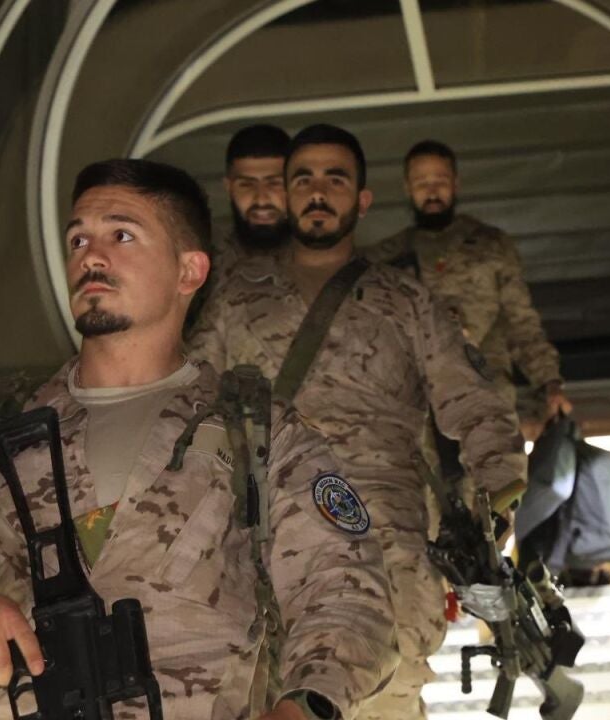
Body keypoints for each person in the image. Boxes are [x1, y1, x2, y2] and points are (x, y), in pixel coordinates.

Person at [0, 159, 397, 720]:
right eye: (78, 239)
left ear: (189, 271)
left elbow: (348, 595)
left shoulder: (257, 432)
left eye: (122, 235)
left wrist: (301, 709)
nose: (91, 255)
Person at [187, 125, 527, 720]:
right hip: (265, 538)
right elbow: (189, 406)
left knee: (386, 695)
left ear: (362, 200)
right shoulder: (236, 298)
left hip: (385, 537)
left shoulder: (408, 301)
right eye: (303, 179)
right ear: (287, 194)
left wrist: (497, 493)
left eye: (335, 179)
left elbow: (473, 401)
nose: (318, 192)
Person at [365, 140, 570, 417]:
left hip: (486, 395)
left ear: (456, 183)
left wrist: (549, 382)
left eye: (440, 181)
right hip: (416, 406)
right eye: (422, 183)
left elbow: (521, 323)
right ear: (407, 188)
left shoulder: (491, 245)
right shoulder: (386, 258)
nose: (432, 192)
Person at [188, 124, 291, 329]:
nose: (261, 199)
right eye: (246, 184)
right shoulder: (198, 263)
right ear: (228, 187)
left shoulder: (326, 260)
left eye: (274, 183)